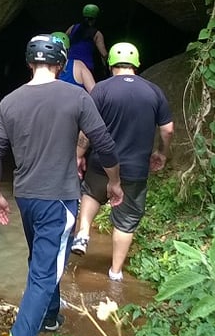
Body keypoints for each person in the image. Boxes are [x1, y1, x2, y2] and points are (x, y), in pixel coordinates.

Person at [0, 34, 123, 336]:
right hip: (58, 199)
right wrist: (115, 182)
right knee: (43, 275)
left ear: (30, 63)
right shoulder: (75, 96)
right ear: (61, 64)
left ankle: (49, 317)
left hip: (27, 197)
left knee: (43, 259)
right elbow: (104, 143)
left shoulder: (10, 101)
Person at [71, 42, 174, 282]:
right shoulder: (154, 91)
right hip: (135, 169)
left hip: (101, 162)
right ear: (136, 64)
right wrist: (162, 152)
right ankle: (115, 273)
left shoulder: (101, 90)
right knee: (126, 221)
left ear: (111, 64)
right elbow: (168, 130)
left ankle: (84, 231)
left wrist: (78, 155)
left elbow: (87, 130)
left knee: (91, 193)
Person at [66, 4, 108, 74]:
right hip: (86, 67)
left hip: (70, 64)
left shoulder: (72, 28)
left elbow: (63, 41)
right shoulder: (97, 34)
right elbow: (103, 54)